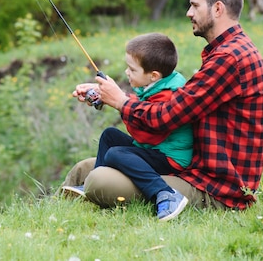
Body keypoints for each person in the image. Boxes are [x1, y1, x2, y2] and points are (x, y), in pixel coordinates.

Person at [64, 0, 263, 214]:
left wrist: (120, 101)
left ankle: (166, 198)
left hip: (216, 189)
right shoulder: (227, 51)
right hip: (194, 169)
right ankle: (54, 222)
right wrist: (108, 96)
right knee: (85, 169)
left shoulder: (229, 59)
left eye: (194, 5)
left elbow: (165, 117)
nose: (189, 13)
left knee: (99, 180)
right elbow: (175, 105)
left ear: (217, 9)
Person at [62, 33, 192, 221]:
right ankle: (91, 183)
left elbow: (147, 135)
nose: (126, 72)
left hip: (170, 158)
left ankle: (164, 193)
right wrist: (103, 96)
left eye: (132, 69)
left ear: (153, 75)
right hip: (155, 149)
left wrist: (119, 103)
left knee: (116, 153)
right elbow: (139, 105)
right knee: (110, 135)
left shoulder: (167, 93)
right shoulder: (157, 83)